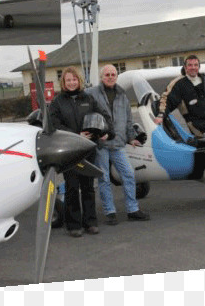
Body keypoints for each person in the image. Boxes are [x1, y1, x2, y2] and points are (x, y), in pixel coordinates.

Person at [48, 67, 112, 237]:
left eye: (74, 79)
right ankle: (73, 225)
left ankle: (90, 222)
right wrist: (76, 135)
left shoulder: (88, 98)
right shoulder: (58, 102)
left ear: (79, 81)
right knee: (72, 188)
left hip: (87, 150)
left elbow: (103, 116)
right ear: (64, 82)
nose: (71, 83)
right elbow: (54, 124)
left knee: (88, 187)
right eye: (68, 80)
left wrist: (106, 131)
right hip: (69, 151)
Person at [86, 65, 151, 225]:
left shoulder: (122, 95)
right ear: (102, 77)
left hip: (118, 143)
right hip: (101, 144)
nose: (110, 77)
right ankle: (110, 212)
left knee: (128, 174)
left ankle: (132, 209)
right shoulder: (91, 93)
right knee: (104, 178)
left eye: (113, 74)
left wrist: (131, 138)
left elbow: (128, 120)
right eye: (107, 74)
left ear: (116, 76)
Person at [154, 55, 205, 136]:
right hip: (196, 125)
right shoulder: (178, 84)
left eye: (195, 65)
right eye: (190, 65)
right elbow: (166, 99)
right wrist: (161, 115)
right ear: (185, 67)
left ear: (199, 66)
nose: (193, 67)